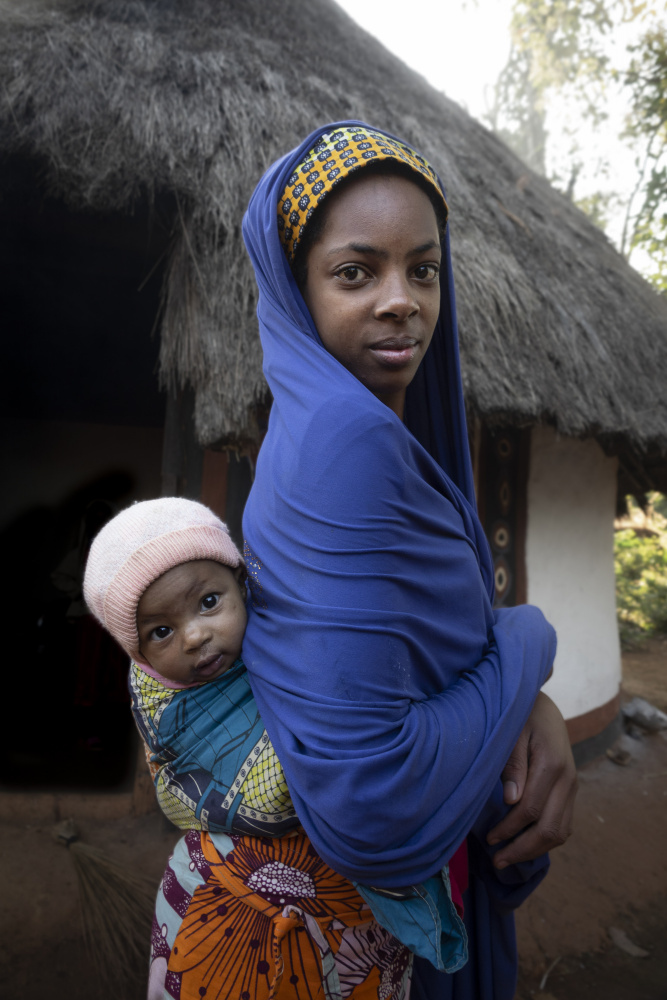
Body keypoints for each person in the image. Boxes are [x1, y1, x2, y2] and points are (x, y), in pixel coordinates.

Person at [239, 121, 577, 1000]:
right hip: (374, 940)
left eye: (422, 269)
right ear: (295, 286)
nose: (402, 300)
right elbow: (372, 798)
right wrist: (529, 645)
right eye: (356, 273)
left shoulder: (349, 429)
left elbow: (422, 661)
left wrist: (522, 703)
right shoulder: (347, 441)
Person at [83, 497, 434, 999]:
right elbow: (265, 792)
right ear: (139, 655)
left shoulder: (297, 645)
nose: (195, 636)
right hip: (215, 922)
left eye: (209, 602)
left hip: (354, 928)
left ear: (242, 584)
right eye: (161, 631)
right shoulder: (167, 705)